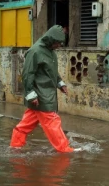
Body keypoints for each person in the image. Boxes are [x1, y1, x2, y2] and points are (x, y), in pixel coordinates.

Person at [10, 25, 75, 153]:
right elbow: (27, 74)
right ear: (51, 40)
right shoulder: (35, 51)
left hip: (45, 94)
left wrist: (60, 84)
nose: (59, 46)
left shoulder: (50, 52)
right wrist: (31, 94)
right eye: (57, 43)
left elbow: (51, 71)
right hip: (41, 95)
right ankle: (65, 150)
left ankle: (15, 147)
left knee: (25, 125)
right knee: (52, 122)